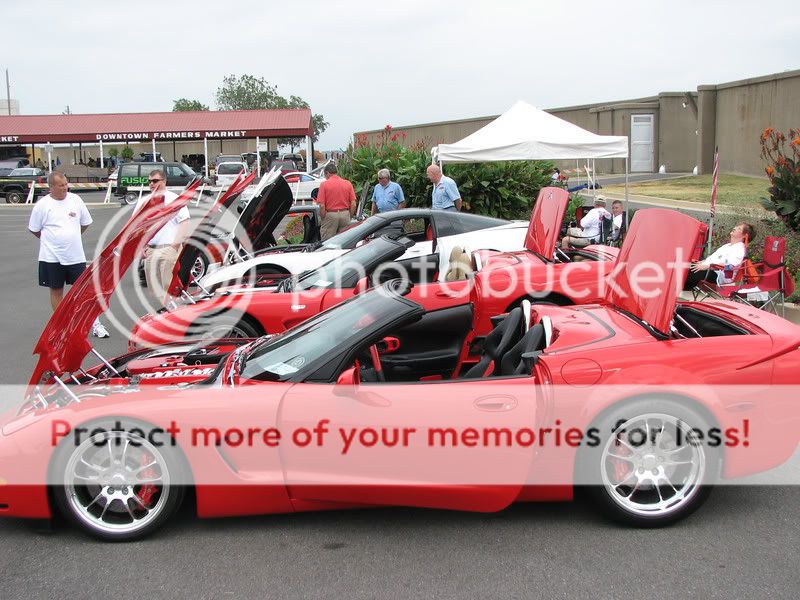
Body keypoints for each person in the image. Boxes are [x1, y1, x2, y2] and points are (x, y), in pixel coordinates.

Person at [28, 171, 109, 338]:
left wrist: (71, 237)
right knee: (56, 290)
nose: (65, 188)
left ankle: (95, 325)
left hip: (75, 256)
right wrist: (52, 241)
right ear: (51, 187)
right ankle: (63, 326)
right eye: (61, 185)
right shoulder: (42, 205)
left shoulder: (75, 200)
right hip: (51, 257)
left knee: (85, 291)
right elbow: (34, 229)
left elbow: (85, 223)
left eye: (66, 184)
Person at [132, 169, 190, 306]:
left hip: (168, 249)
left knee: (170, 287)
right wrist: (140, 246)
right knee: (155, 288)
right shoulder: (144, 202)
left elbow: (185, 222)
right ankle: (168, 312)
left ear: (164, 181)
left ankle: (174, 316)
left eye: (155, 181)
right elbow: (136, 226)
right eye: (150, 181)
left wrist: (174, 246)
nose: (152, 184)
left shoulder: (174, 199)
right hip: (150, 251)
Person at [684, 222, 756, 290]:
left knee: (686, 271)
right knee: (683, 265)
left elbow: (730, 266)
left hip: (718, 275)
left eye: (739, 228)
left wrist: (709, 266)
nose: (734, 228)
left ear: (744, 236)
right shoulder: (727, 246)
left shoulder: (739, 250)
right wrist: (703, 262)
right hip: (710, 269)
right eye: (736, 227)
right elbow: (713, 258)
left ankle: (677, 293)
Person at [316, 162, 356, 241]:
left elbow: (322, 206)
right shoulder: (347, 183)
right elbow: (353, 204)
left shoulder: (324, 185)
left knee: (328, 242)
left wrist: (323, 217)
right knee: (344, 241)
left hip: (331, 215)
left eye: (325, 175)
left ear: (327, 173)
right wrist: (349, 216)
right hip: (345, 214)